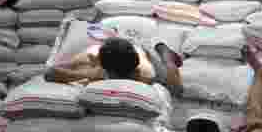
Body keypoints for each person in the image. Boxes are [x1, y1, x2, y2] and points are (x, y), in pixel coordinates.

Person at [47, 36, 184, 95]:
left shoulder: (146, 72)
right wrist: (85, 74)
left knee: (171, 72)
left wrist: (168, 62)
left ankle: (164, 50)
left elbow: (177, 89)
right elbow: (50, 73)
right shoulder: (91, 57)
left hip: (142, 50)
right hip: (112, 52)